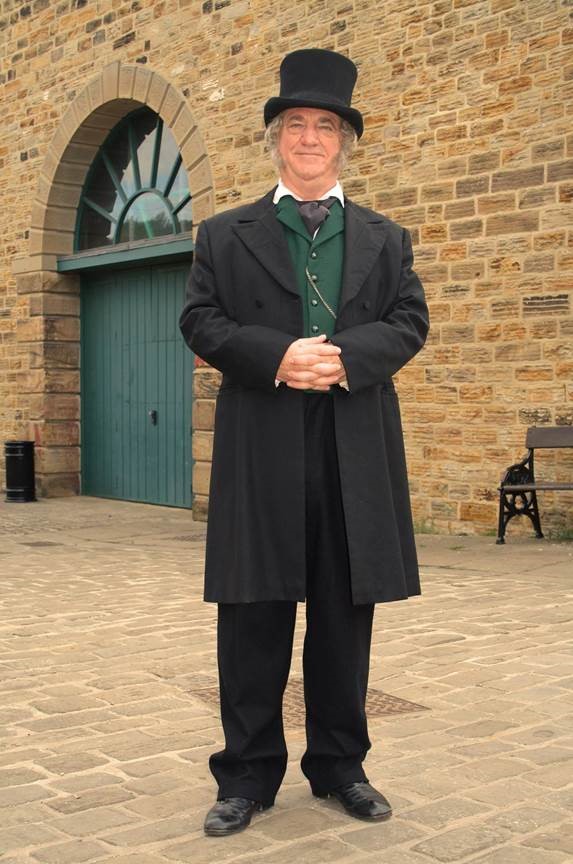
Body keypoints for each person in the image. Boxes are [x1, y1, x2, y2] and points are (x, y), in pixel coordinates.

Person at [179, 47, 429, 837]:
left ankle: (339, 766)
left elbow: (409, 323)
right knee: (252, 614)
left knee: (341, 614)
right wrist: (276, 355)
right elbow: (200, 320)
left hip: (351, 445)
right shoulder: (223, 234)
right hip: (261, 442)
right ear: (276, 138)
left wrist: (347, 358)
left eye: (326, 126)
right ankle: (246, 775)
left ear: (344, 142)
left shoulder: (387, 238)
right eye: (296, 124)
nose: (311, 137)